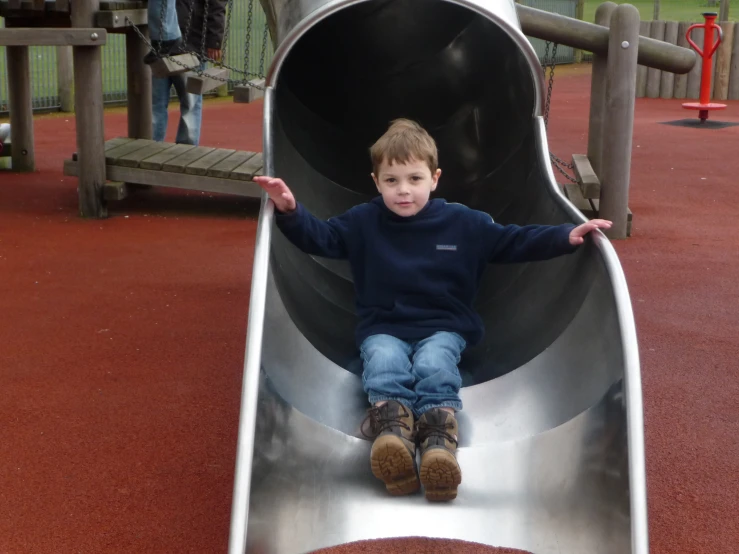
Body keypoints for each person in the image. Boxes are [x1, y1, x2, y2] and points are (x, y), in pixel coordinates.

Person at [253, 119, 612, 502]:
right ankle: (393, 433)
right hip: (385, 325)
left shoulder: (462, 223)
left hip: (443, 325)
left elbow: (511, 240)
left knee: (434, 363)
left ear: (435, 178)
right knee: (382, 359)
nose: (403, 190)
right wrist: (291, 210)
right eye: (391, 181)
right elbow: (322, 238)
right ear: (376, 182)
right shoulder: (363, 221)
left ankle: (439, 437)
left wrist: (564, 236)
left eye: (414, 178)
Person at [145, 0, 227, 146]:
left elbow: (217, 4)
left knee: (188, 102)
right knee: (156, 103)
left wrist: (214, 39)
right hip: (164, 42)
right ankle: (152, 145)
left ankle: (186, 149)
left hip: (190, 42)